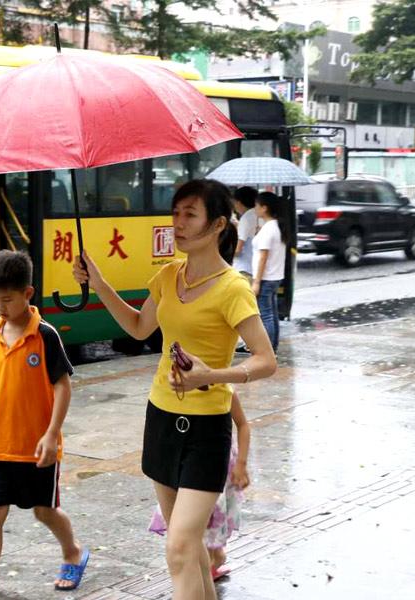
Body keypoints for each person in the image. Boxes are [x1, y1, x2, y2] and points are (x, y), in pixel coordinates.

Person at [72, 179, 277, 600]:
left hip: (207, 431)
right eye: (175, 213)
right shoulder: (168, 276)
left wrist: (213, 376)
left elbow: (265, 360)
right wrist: (97, 281)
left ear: (217, 224)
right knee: (191, 552)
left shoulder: (233, 287)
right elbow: (137, 326)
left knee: (180, 547)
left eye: (190, 215)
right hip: (161, 420)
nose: (178, 223)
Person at [0, 250, 89, 598]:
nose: (0, 307)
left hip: (37, 446)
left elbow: (62, 386)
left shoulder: (46, 336)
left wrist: (52, 434)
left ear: (28, 293)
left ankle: (73, 551)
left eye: (6, 299)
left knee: (44, 511)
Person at [149, 390, 251, 581]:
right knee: (187, 527)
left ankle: (212, 561)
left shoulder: (223, 390)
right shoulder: (173, 391)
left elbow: (243, 424)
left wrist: (241, 465)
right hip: (183, 467)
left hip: (214, 468)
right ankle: (205, 566)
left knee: (203, 522)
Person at [251, 191, 287, 352]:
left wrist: (256, 282)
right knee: (271, 313)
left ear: (264, 208)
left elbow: (263, 257)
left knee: (265, 315)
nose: (255, 209)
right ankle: (273, 346)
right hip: (275, 277)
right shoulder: (276, 226)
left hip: (266, 278)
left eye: (257, 206)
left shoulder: (268, 229)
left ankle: (268, 350)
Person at [232, 186, 259, 280]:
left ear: (238, 202)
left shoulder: (246, 219)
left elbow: (238, 250)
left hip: (244, 269)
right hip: (254, 267)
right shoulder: (258, 214)